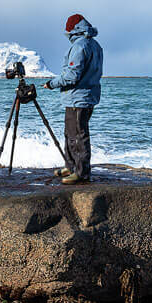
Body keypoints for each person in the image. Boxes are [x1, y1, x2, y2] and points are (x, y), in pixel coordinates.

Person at [43, 13, 103, 184]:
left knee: (78, 135)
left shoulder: (79, 46)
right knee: (71, 133)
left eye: (68, 30)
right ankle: (70, 167)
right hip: (85, 97)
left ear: (74, 30)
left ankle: (81, 173)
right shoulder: (95, 45)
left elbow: (72, 76)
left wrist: (51, 84)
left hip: (78, 98)